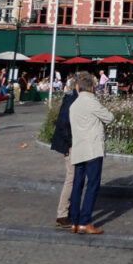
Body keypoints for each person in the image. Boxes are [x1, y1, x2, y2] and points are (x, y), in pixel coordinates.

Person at [68, 71, 113, 235]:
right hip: (92, 148)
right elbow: (109, 117)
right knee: (92, 185)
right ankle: (85, 221)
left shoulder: (74, 104)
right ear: (93, 88)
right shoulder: (92, 102)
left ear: (79, 87)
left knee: (77, 185)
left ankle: (73, 220)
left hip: (79, 148)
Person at [50, 75, 78, 229]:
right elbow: (64, 123)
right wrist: (69, 144)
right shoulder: (72, 99)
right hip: (70, 145)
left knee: (73, 177)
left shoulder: (71, 97)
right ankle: (62, 214)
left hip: (71, 144)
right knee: (71, 177)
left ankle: (68, 211)